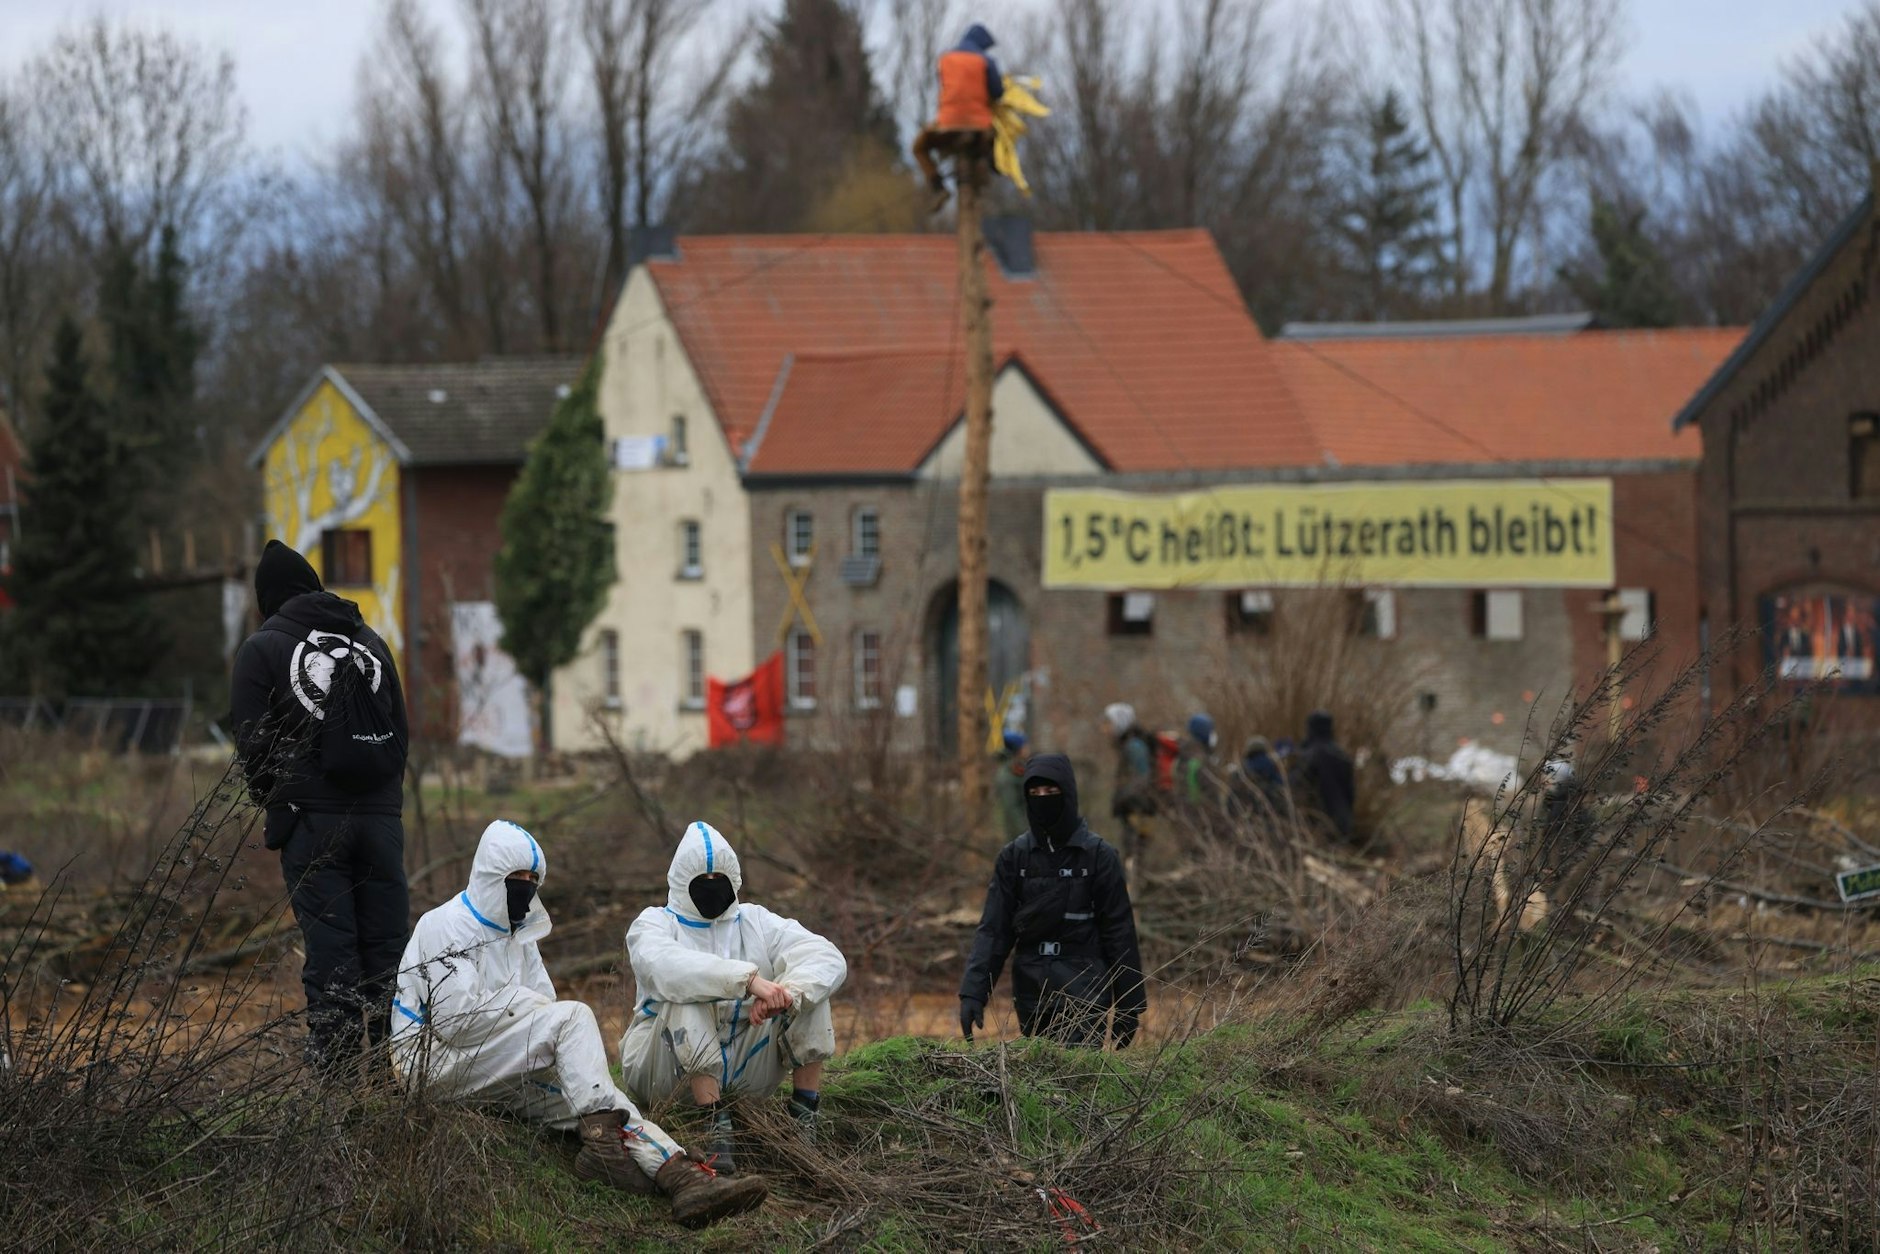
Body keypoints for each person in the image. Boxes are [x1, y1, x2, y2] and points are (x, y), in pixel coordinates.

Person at [394, 820, 766, 1228]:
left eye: (532, 879)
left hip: (489, 1066)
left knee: (602, 1100)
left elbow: (543, 1010)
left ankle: (681, 1177)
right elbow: (455, 1021)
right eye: (517, 877)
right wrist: (528, 1007)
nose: (525, 887)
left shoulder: (518, 936)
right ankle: (605, 1148)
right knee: (575, 1017)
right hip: (434, 1065)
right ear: (490, 876)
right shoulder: (447, 924)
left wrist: (543, 1027)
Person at [230, 539, 410, 1070]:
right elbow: (400, 733)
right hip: (381, 823)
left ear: (268, 598)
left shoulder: (262, 648)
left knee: (332, 952)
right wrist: (383, 806)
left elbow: (253, 743)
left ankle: (337, 1082)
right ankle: (394, 1072)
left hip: (312, 823)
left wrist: (280, 805)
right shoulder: (371, 642)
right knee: (388, 950)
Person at [621, 822, 848, 1177]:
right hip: (665, 1073)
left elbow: (825, 955)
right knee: (686, 996)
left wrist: (787, 995)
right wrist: (748, 981)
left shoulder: (756, 921)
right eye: (702, 878)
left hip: (743, 1069)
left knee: (810, 992)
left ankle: (804, 1116)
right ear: (682, 881)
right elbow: (666, 967)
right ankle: (714, 1125)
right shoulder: (653, 924)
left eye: (719, 877)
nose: (712, 886)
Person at [960, 754, 1145, 1049]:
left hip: (1086, 990)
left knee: (1079, 1073)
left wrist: (1130, 1003)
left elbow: (1119, 932)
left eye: (1050, 791)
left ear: (1067, 793)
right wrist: (973, 992)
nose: (1042, 798)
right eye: (1035, 792)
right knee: (1039, 1073)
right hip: (1032, 993)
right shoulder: (1014, 858)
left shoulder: (1099, 856)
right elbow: (994, 930)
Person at [911, 24, 1005, 208]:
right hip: (980, 127)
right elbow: (998, 92)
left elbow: (945, 86)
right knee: (994, 140)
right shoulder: (986, 61)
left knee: (919, 147)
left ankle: (938, 186)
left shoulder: (945, 59)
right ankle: (992, 165)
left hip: (947, 126)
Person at [1104, 702, 1157, 873]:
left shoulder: (1134, 747)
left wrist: (1124, 798)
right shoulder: (1128, 745)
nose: (1106, 729)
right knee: (1132, 854)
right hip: (1133, 810)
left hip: (1138, 811)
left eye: (1110, 723)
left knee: (1136, 854)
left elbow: (1142, 778)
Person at [1294, 709, 1357, 843]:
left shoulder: (1309, 755)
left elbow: (1295, 786)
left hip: (1316, 823)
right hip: (1342, 821)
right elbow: (1350, 792)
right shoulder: (1342, 755)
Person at [1230, 735, 1288, 819]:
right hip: (1272, 812)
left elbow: (1232, 797)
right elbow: (1281, 785)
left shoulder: (1241, 769)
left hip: (1248, 813)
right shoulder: (1272, 764)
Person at [1175, 713, 1222, 809]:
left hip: (1183, 812)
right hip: (1201, 814)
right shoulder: (1202, 761)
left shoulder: (1182, 755)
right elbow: (1212, 798)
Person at [993, 729, 1030, 841]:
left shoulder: (1019, 768)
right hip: (1016, 836)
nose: (1027, 748)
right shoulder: (1007, 773)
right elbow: (1011, 808)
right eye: (1024, 745)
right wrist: (1026, 834)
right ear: (1018, 749)